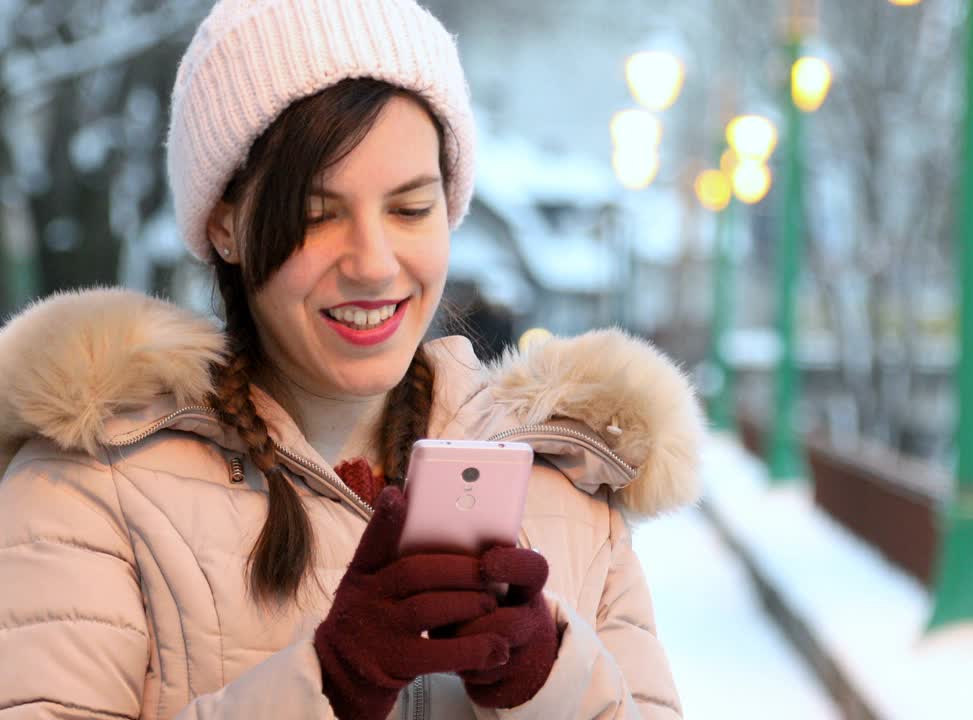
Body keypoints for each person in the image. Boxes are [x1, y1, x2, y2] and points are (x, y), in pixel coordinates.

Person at [0, 1, 704, 718]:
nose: (372, 264)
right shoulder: (89, 484)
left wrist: (549, 688)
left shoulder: (566, 484)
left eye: (410, 209)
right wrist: (328, 686)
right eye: (316, 214)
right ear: (226, 225)